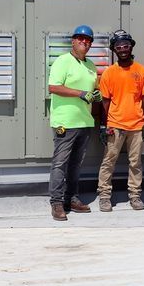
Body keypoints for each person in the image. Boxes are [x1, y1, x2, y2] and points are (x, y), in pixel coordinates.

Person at [96, 30, 144, 212]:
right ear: (114, 49)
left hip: (137, 126)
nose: (122, 49)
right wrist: (103, 125)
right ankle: (104, 196)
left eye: (126, 46)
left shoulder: (141, 70)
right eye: (119, 47)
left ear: (131, 47)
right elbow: (105, 102)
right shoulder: (109, 73)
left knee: (135, 163)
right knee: (108, 161)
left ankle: (135, 195)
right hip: (115, 125)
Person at [47, 24, 102, 221]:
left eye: (88, 40)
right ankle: (56, 203)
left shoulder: (91, 66)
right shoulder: (63, 61)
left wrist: (96, 95)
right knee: (60, 163)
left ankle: (71, 198)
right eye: (81, 39)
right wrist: (80, 93)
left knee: (76, 165)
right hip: (65, 122)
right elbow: (53, 87)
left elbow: (93, 90)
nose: (84, 42)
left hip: (84, 122)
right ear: (73, 41)